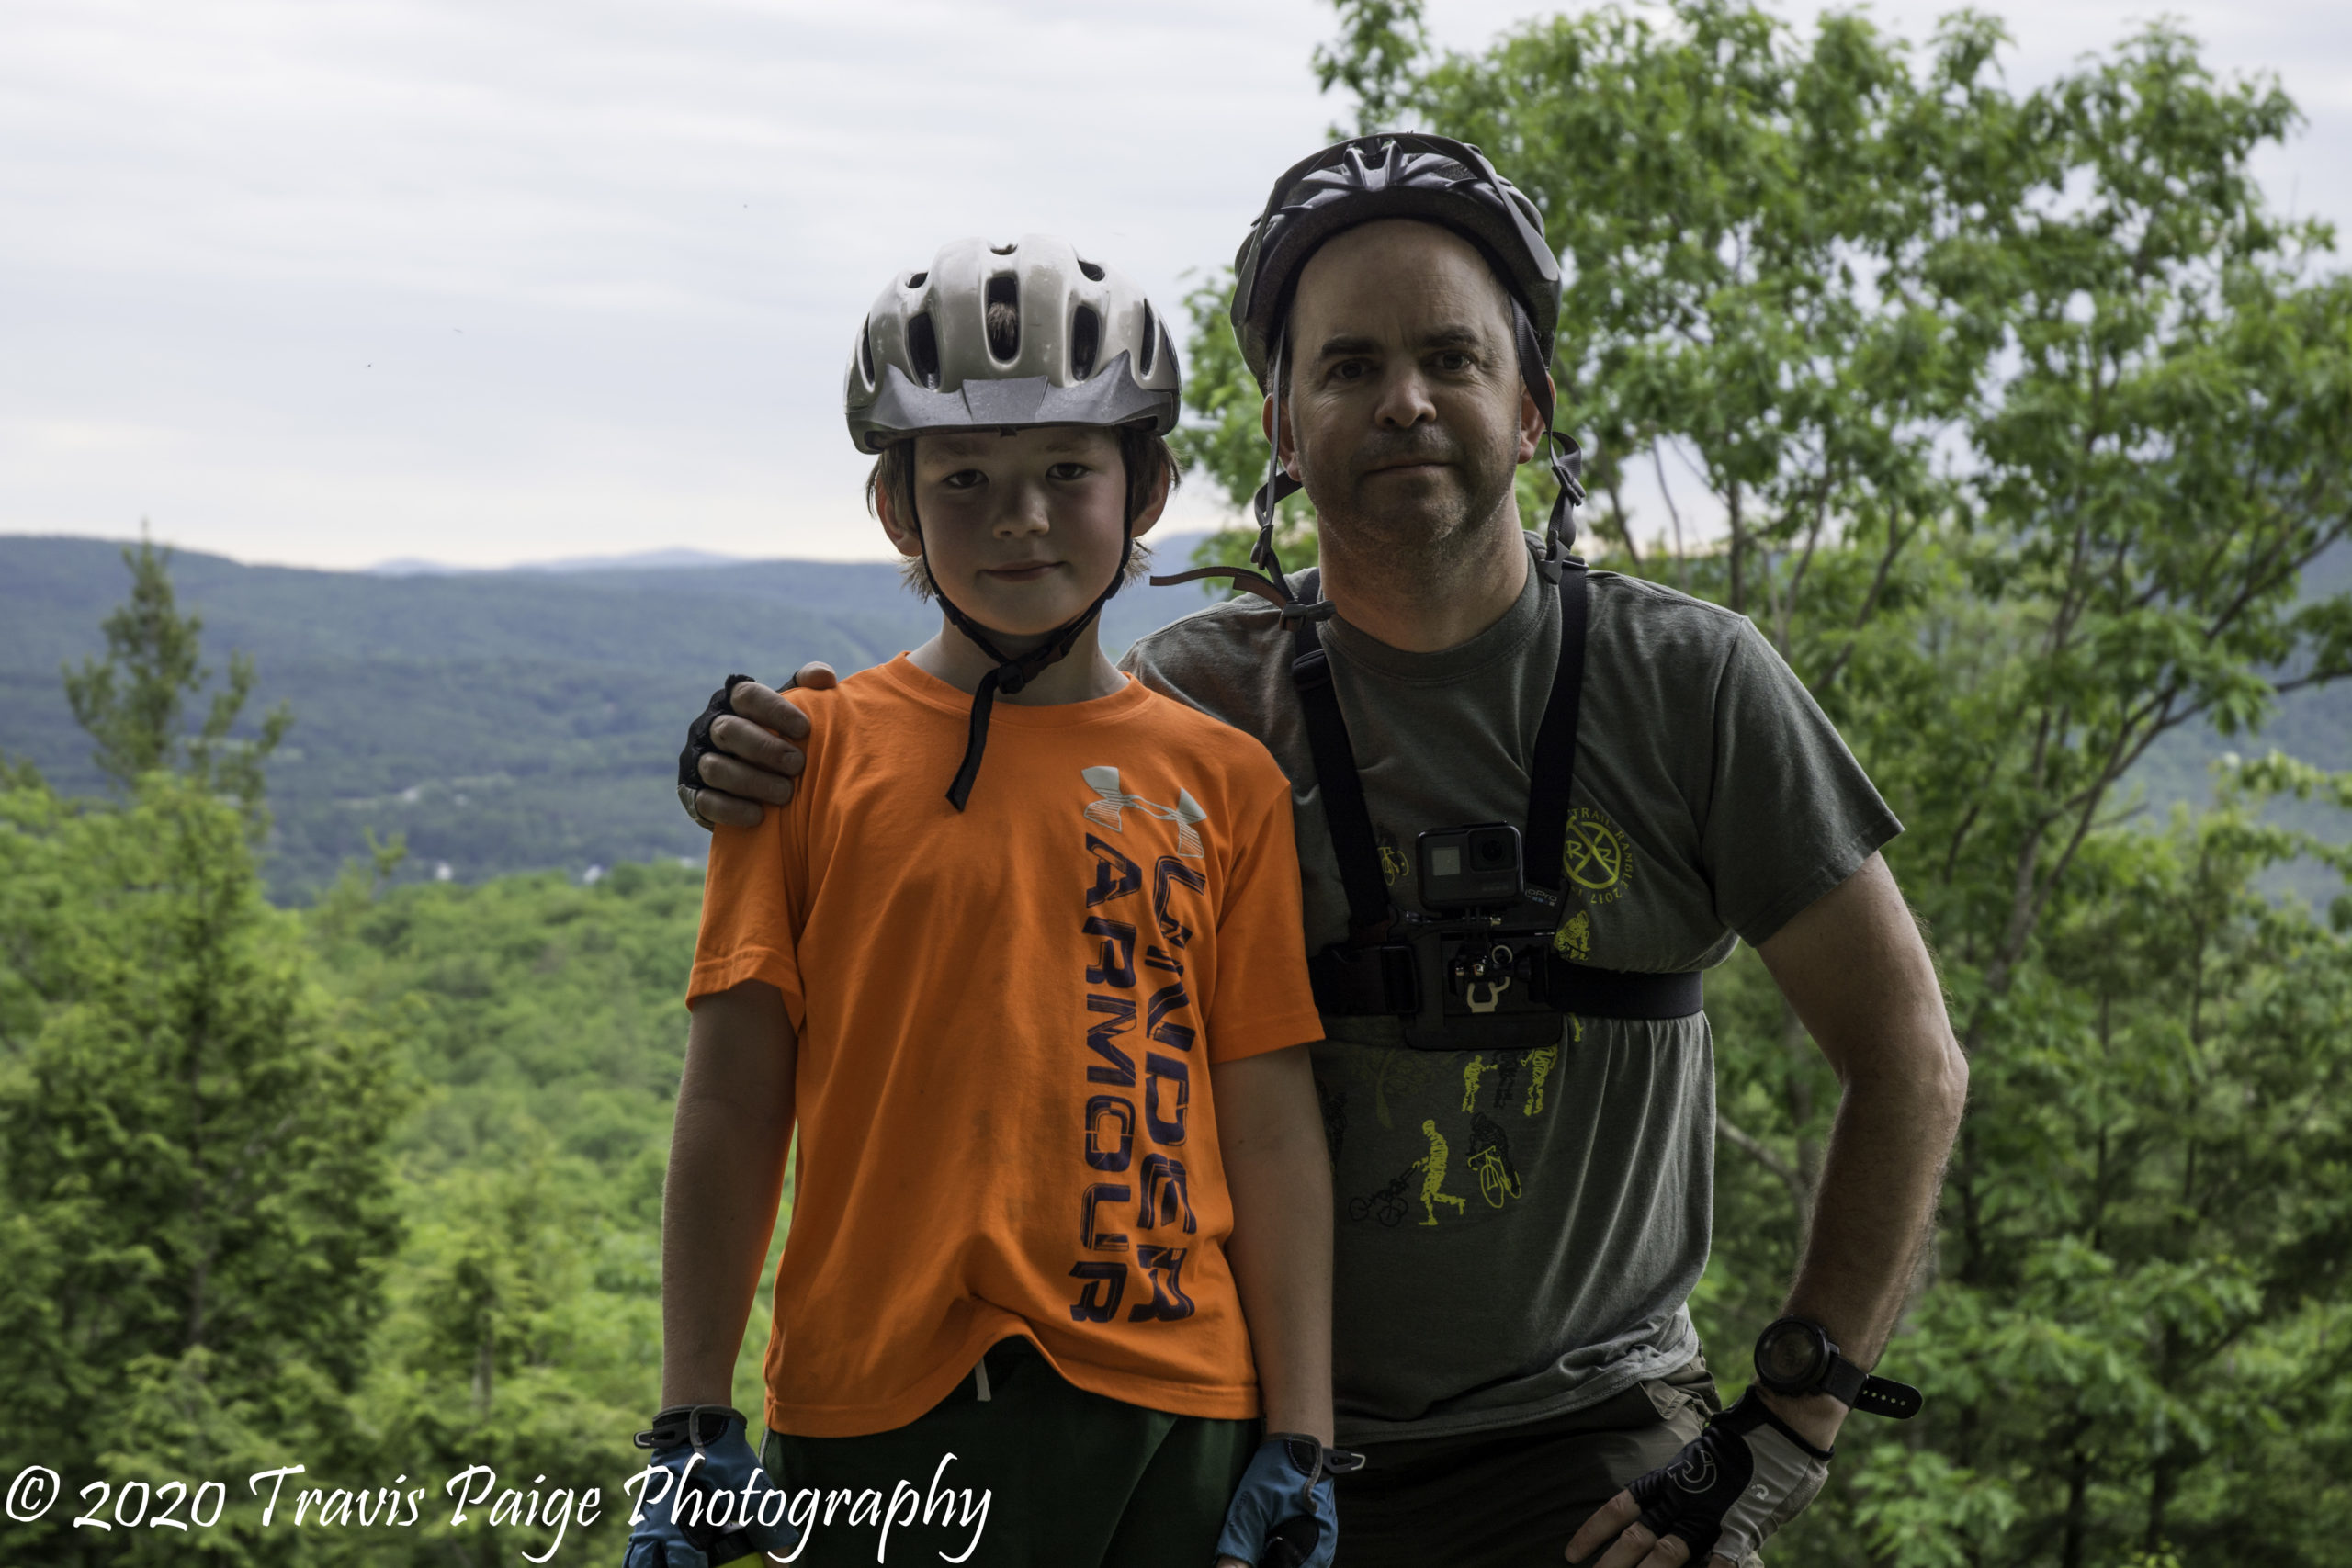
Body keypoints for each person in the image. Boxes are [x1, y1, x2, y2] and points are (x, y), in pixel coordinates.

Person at [678, 141, 1969, 1568]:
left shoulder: (1690, 687)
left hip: (1593, 1442)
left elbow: (1909, 1061)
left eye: (1452, 358)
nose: (1405, 399)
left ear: (1530, 407)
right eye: (1348, 366)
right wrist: (781, 745)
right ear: (1283, 427)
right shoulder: (1189, 704)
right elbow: (978, 783)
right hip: (1226, 1444)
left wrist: (1783, 1430)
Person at [630, 235, 1353, 1568]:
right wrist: (690, 1413)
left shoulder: (1224, 783)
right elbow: (732, 1105)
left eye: (1067, 472)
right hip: (869, 1412)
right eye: (963, 479)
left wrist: (1299, 1439)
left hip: (1170, 1415)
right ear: (895, 510)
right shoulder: (803, 760)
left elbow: (1268, 1122)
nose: (1019, 516)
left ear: (1145, 488)